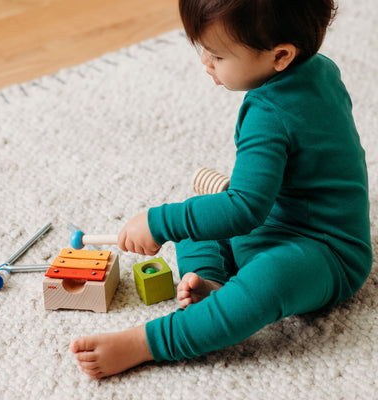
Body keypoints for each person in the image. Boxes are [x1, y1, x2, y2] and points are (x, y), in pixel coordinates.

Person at [70, 0, 372, 379]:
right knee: (198, 214)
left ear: (280, 55)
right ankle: (208, 285)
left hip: (327, 252)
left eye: (216, 55)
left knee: (266, 278)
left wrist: (157, 222)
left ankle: (148, 343)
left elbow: (245, 208)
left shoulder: (267, 113)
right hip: (274, 220)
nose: (205, 63)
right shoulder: (321, 69)